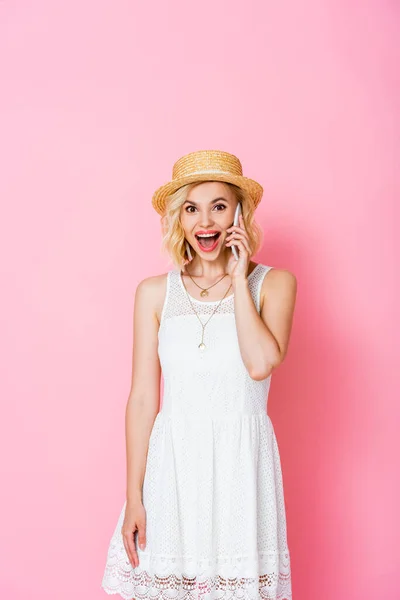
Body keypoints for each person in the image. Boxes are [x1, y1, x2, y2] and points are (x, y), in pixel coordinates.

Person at [101, 149, 297, 600]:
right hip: (174, 466)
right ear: (179, 219)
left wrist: (238, 277)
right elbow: (143, 400)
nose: (205, 221)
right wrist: (134, 494)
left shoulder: (274, 283)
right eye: (191, 208)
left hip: (241, 466)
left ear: (239, 214)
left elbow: (260, 363)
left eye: (219, 206)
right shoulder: (154, 293)